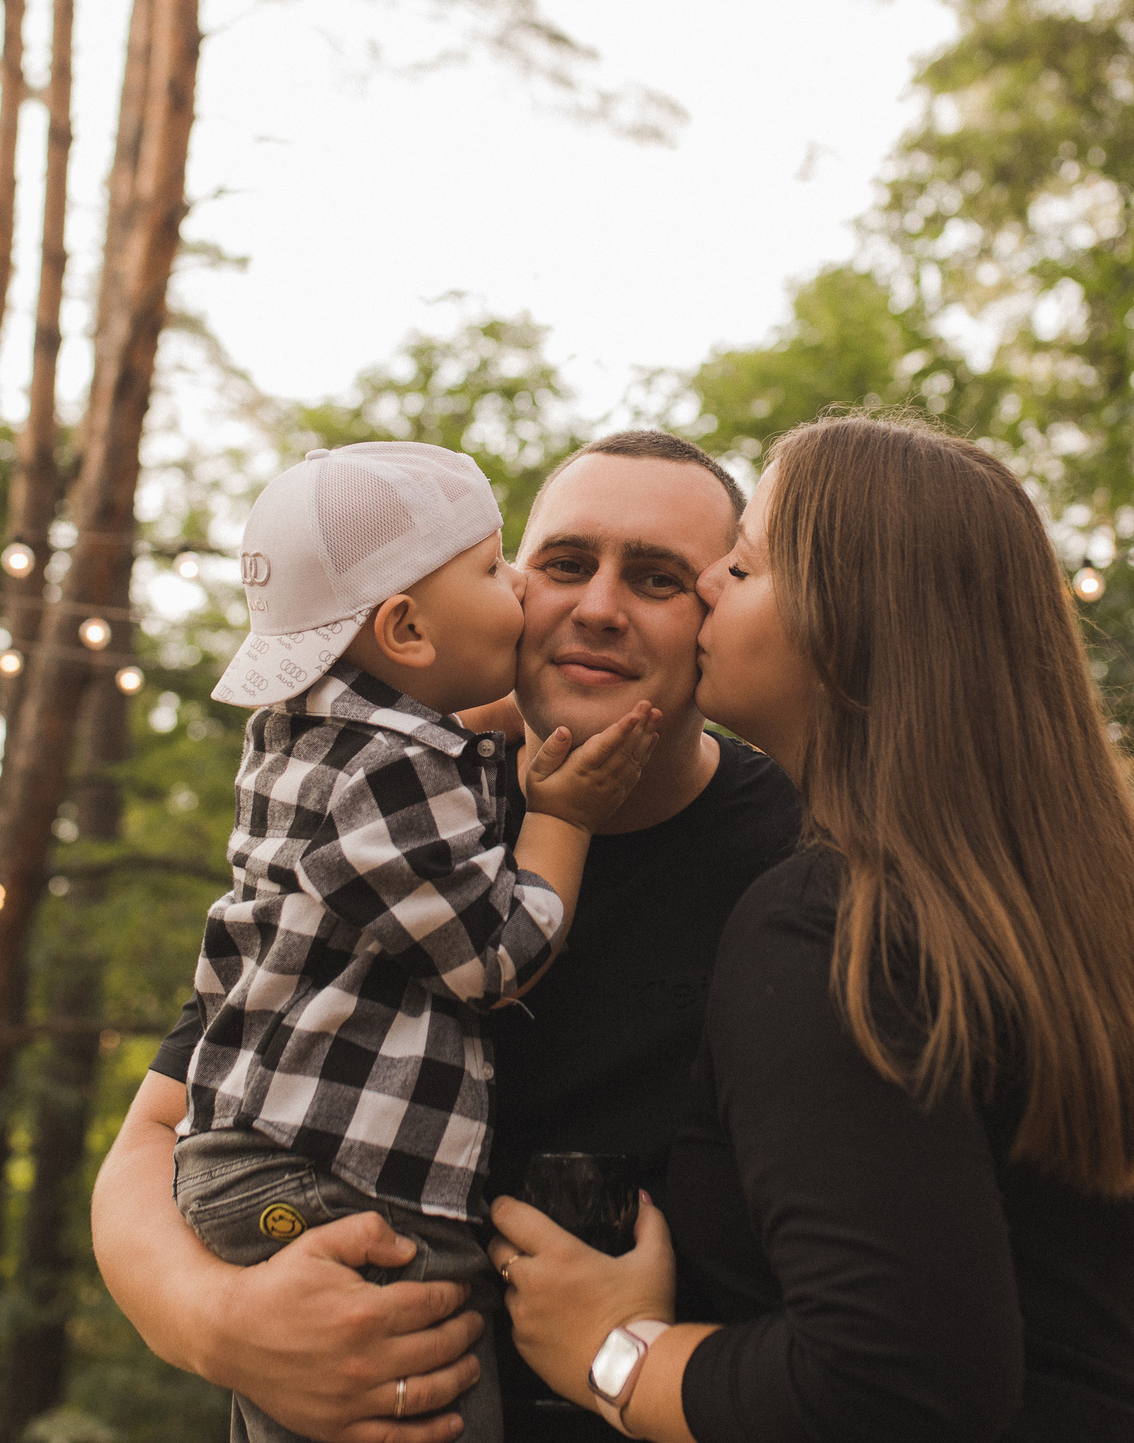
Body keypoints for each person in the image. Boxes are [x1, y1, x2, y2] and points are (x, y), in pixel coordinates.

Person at [487, 414, 1134, 1443]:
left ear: (846, 625)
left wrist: (615, 1354)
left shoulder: (829, 920)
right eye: (565, 564)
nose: (703, 589)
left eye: (733, 570)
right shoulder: (1088, 897)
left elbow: (892, 1386)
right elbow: (1114, 1270)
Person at [94, 431, 805, 1442]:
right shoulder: (407, 796)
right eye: (563, 565)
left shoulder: (800, 846)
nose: (597, 606)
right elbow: (156, 1132)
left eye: (655, 578)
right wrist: (223, 1327)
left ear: (715, 613)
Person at [180, 440, 663, 1443]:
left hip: (262, 1167)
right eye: (495, 569)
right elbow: (494, 960)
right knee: (431, 1406)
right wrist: (563, 815)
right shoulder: (384, 779)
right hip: (346, 1187)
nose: (524, 587)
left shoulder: (312, 737)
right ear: (404, 628)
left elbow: (442, 773)